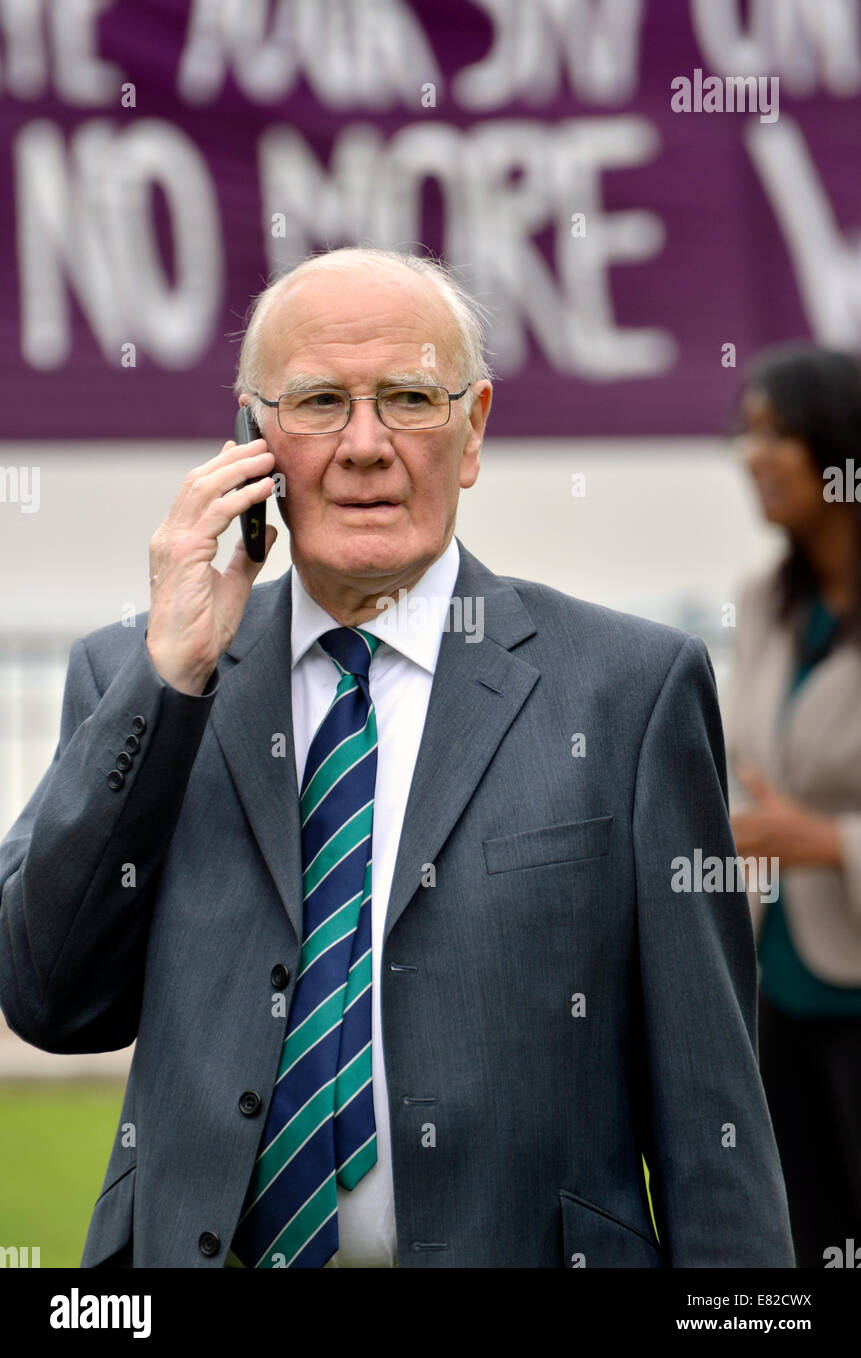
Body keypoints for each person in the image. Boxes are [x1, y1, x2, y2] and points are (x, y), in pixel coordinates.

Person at [0, 247, 794, 1268]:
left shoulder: (629, 689)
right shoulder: (140, 678)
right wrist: (169, 679)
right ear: (253, 436)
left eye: (411, 398)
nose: (366, 445)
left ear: (473, 431)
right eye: (321, 401)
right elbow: (49, 998)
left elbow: (713, 1113)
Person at [724, 343, 861, 1269]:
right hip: (778, 982)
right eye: (746, 431)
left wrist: (831, 840)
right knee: (803, 1243)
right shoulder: (761, 604)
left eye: (776, 431)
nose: (750, 454)